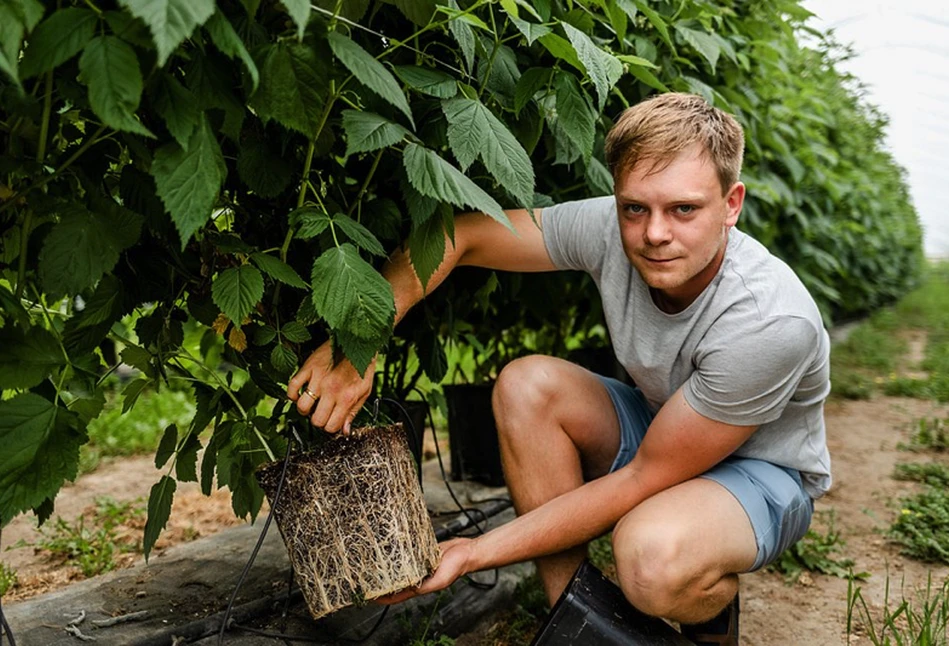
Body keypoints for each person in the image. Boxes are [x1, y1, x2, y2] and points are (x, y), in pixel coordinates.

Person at [287, 92, 831, 645]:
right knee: (527, 386)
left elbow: (645, 477)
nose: (654, 234)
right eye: (634, 207)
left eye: (684, 209)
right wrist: (360, 338)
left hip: (760, 473)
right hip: (663, 426)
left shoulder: (767, 321)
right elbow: (462, 234)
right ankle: (578, 624)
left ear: (731, 203)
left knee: (650, 559)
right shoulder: (615, 228)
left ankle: (707, 607)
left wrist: (474, 552)